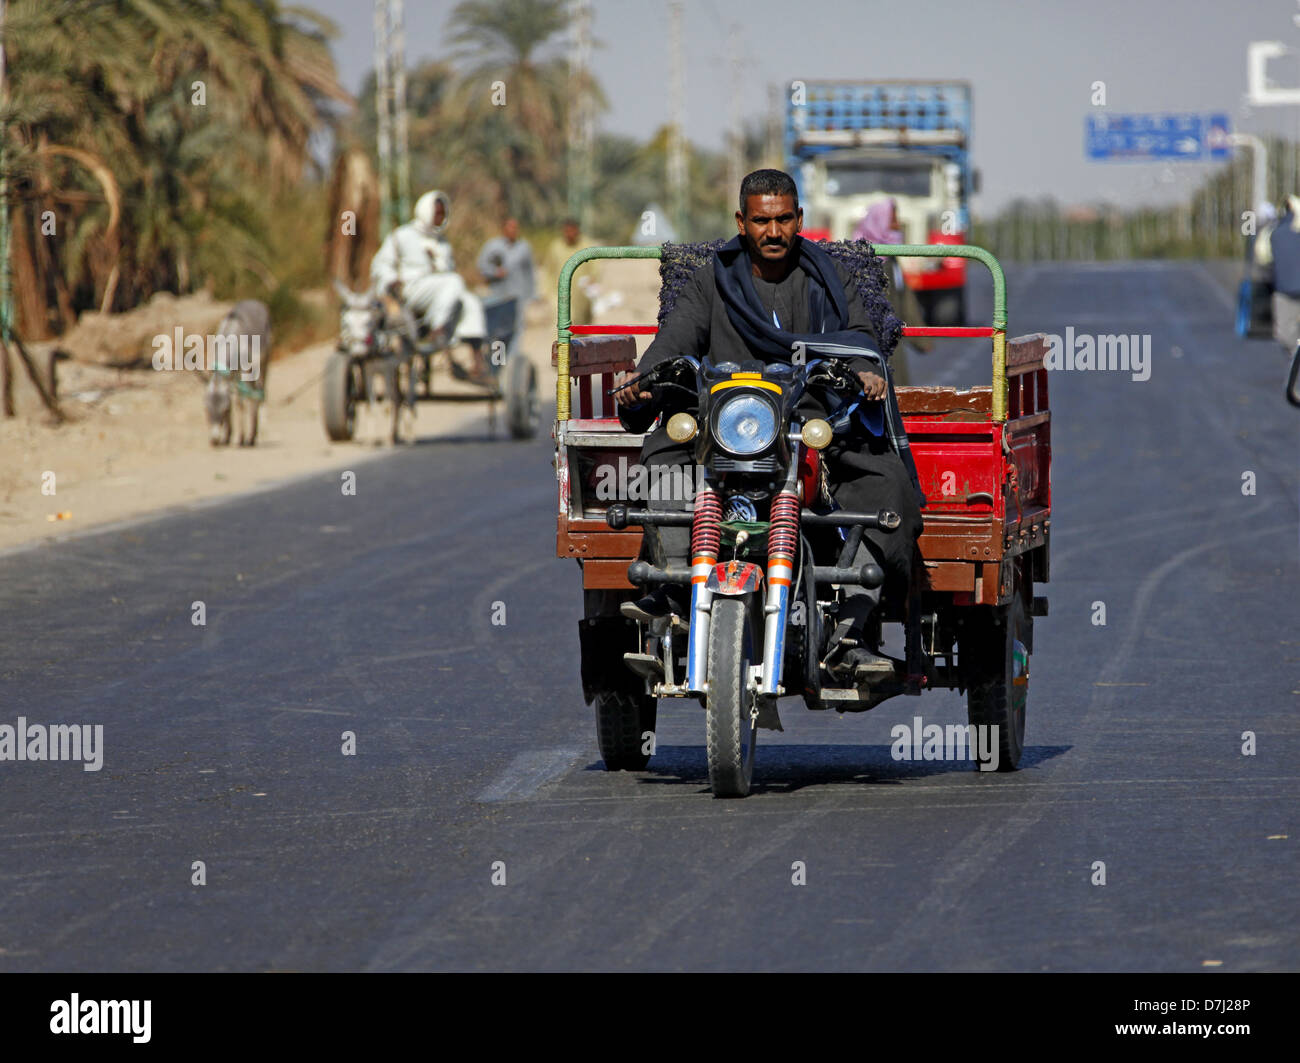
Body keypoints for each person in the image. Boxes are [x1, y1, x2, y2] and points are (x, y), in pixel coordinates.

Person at [612, 168, 924, 676]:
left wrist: (866, 370)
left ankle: (852, 628)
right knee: (661, 455)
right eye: (761, 221)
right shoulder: (710, 279)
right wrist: (644, 378)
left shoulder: (828, 276)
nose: (773, 232)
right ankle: (671, 593)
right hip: (721, 424)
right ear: (742, 221)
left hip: (808, 425)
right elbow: (673, 343)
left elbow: (859, 339)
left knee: (887, 482)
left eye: (783, 220)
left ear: (799, 219)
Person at [369, 189, 490, 381]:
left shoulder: (442, 243)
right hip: (410, 289)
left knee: (472, 303)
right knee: (455, 282)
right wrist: (391, 280)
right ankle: (438, 330)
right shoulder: (402, 236)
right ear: (426, 211)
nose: (440, 218)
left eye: (443, 214)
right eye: (437, 213)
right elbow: (380, 265)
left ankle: (477, 362)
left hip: (441, 293)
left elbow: (447, 270)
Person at [853, 198, 931, 380]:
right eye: (893, 220)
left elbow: (904, 299)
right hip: (872, 343)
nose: (897, 225)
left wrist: (922, 339)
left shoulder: (890, 257)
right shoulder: (863, 259)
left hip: (891, 338)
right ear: (880, 221)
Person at [477, 217, 536, 335]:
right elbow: (481, 265)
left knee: (516, 327)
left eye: (515, 228)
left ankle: (512, 353)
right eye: (510, 227)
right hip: (497, 294)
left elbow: (529, 272)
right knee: (497, 328)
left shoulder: (524, 247)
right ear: (503, 229)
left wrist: (532, 295)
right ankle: (497, 352)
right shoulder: (493, 246)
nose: (513, 230)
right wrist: (495, 272)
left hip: (517, 294)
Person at [542, 218, 599, 326]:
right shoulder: (556, 247)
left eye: (572, 230)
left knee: (582, 329)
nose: (570, 234)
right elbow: (548, 270)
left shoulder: (586, 246)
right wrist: (546, 291)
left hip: (582, 296)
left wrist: (592, 279)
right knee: (565, 328)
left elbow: (595, 268)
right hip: (560, 296)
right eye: (567, 231)